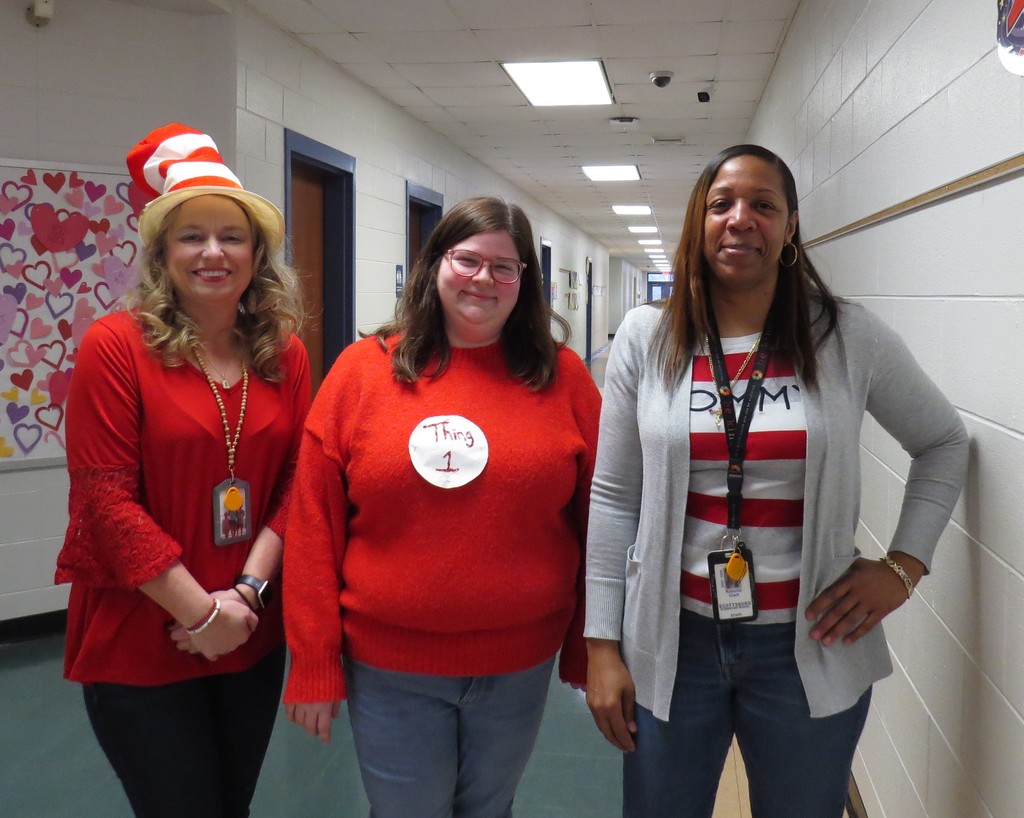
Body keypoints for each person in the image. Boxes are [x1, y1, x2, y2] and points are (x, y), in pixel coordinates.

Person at [583, 144, 968, 818]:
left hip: (807, 646)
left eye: (764, 205)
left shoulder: (845, 335)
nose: (741, 219)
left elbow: (942, 442)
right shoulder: (648, 337)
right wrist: (601, 645)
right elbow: (614, 497)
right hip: (672, 642)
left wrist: (904, 565)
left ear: (790, 227)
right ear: (698, 220)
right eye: (723, 203)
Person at [283, 195, 601, 818]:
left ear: (525, 284)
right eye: (467, 259)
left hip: (519, 660)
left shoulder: (562, 379)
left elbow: (601, 520)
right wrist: (314, 661)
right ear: (433, 265)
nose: (484, 279)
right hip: (389, 663)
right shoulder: (362, 373)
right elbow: (312, 524)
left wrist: (590, 642)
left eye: (505, 268)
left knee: (490, 809)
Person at [54, 123, 311, 818]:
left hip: (248, 630)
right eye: (191, 236)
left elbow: (297, 483)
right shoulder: (115, 347)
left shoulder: (283, 354)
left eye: (231, 235)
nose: (212, 252)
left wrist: (249, 594)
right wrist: (202, 615)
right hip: (145, 634)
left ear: (257, 253)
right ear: (162, 253)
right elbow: (105, 502)